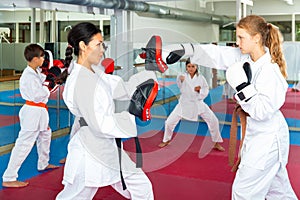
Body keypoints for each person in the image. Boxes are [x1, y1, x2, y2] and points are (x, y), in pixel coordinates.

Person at [147, 14, 297, 199]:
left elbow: (262, 111)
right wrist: (185, 49)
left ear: (257, 38)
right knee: (278, 192)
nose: (237, 42)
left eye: (241, 37)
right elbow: (216, 54)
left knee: (243, 193)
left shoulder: (270, 71)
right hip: (257, 135)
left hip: (267, 140)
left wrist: (241, 85)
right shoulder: (245, 58)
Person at [55, 22, 154, 200]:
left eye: (103, 45)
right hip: (90, 148)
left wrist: (150, 69)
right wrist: (131, 116)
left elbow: (121, 87)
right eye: (98, 44)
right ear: (83, 46)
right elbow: (100, 123)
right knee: (75, 196)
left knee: (142, 187)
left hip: (106, 147)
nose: (102, 50)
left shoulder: (94, 73)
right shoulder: (81, 81)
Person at [2, 44, 59, 188]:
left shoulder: (36, 73)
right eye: (41, 57)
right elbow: (39, 94)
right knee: (24, 144)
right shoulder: (28, 76)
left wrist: (54, 78)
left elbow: (47, 81)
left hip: (40, 111)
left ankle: (43, 163)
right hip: (33, 112)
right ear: (35, 59)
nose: (43, 59)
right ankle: (9, 177)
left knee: (45, 135)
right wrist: (48, 85)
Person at [158, 58, 225, 152]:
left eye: (193, 66)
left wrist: (200, 90)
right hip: (184, 103)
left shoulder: (201, 78)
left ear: (196, 67)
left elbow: (206, 89)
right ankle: (166, 140)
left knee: (214, 121)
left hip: (198, 103)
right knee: (169, 122)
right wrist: (180, 80)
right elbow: (179, 85)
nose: (190, 68)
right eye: (189, 66)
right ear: (186, 67)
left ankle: (216, 142)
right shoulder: (182, 76)